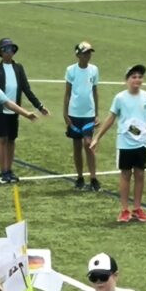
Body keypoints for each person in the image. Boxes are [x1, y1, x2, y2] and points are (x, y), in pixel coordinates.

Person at [92, 64, 146, 223]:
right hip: (125, 143)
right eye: (133, 77)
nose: (137, 80)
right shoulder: (120, 98)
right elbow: (111, 118)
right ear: (126, 80)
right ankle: (124, 209)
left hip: (141, 143)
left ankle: (137, 208)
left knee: (140, 174)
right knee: (126, 174)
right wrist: (97, 137)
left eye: (140, 77)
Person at [0, 38, 48, 185]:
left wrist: (39, 106)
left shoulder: (18, 68)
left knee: (11, 140)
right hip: (0, 110)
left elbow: (26, 89)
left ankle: (9, 169)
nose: (8, 52)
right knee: (2, 139)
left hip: (15, 110)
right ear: (1, 52)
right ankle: (3, 170)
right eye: (5, 49)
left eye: (10, 49)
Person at [63, 42, 102, 191]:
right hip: (74, 114)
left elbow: (95, 91)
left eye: (89, 53)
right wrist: (65, 113)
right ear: (78, 54)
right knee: (77, 145)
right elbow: (67, 93)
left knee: (88, 144)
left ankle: (93, 177)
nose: (88, 55)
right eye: (85, 53)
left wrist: (96, 113)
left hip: (88, 114)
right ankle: (80, 177)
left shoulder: (94, 70)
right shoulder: (71, 70)